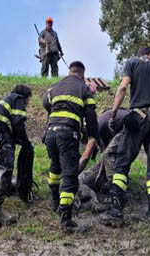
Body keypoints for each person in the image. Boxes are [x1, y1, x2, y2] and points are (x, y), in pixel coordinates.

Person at [100, 47, 150, 227]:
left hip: (138, 117)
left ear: (139, 54)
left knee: (122, 162)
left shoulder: (132, 63)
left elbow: (123, 87)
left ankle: (116, 212)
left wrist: (113, 113)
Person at [42, 61, 98, 233]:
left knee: (55, 167)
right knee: (70, 176)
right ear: (82, 73)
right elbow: (90, 114)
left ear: (70, 71)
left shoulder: (56, 86)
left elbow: (46, 102)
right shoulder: (84, 88)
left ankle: (54, 200)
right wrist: (93, 136)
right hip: (68, 134)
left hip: (51, 132)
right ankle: (66, 219)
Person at [0, 84, 34, 225]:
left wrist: (21, 142)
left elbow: (13, 128)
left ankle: (8, 188)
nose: (27, 104)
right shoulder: (18, 99)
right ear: (25, 96)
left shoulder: (6, 100)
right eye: (28, 101)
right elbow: (18, 124)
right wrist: (27, 143)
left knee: (5, 162)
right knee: (5, 169)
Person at [77, 108, 128, 211]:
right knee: (114, 156)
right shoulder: (102, 122)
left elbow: (90, 156)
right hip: (135, 123)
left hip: (128, 127)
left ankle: (114, 192)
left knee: (109, 156)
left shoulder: (97, 128)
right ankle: (119, 183)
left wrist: (73, 175)